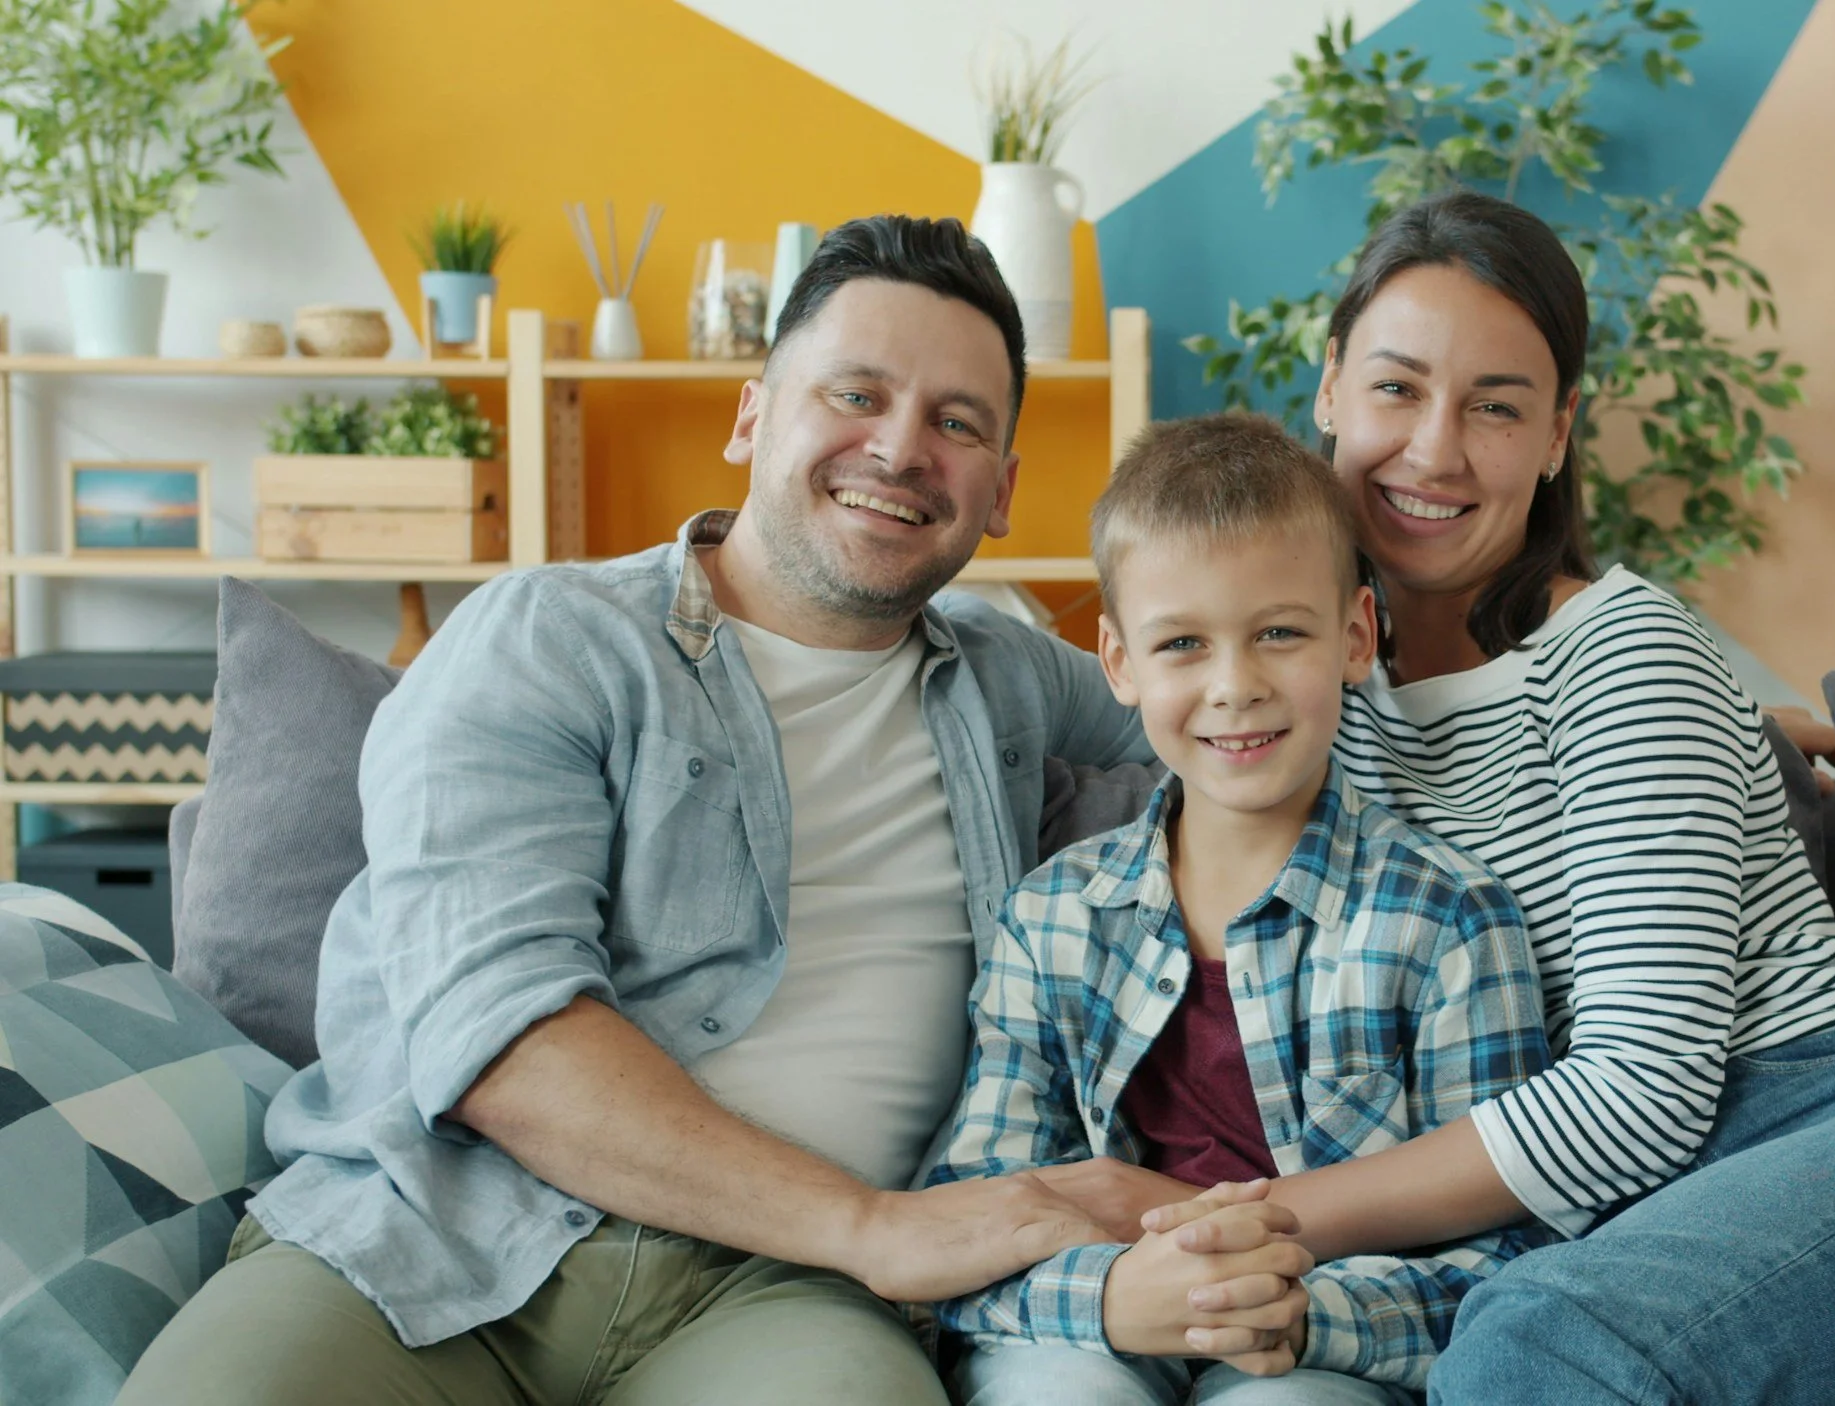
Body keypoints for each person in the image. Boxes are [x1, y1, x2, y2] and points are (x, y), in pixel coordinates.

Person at [118, 216, 1294, 1406]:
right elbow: (500, 1038)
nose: (898, 447)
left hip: (784, 1301)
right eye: (855, 392)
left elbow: (1257, 715)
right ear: (750, 417)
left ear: (1001, 490)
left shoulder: (1014, 674)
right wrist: (875, 1225)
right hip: (431, 1238)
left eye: (957, 422)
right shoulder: (549, 638)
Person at [1039, 191, 1835, 1405]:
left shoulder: (1619, 655)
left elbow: (1642, 1089)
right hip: (1643, 1252)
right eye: (1397, 389)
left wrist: (1233, 1226)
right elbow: (1104, 674)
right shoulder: (1299, 688)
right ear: (1330, 390)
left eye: (1496, 406)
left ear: (1559, 433)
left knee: (1523, 1346)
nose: (1435, 449)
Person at [926, 412, 1554, 1406]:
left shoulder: (1447, 920)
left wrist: (1301, 1313)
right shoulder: (1050, 917)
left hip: (1323, 1337)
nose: (1234, 685)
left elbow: (1517, 1252)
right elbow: (971, 1218)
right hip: (1092, 1327)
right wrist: (1109, 1298)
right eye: (1182, 642)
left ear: (1354, 634)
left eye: (1278, 632)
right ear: (1120, 661)